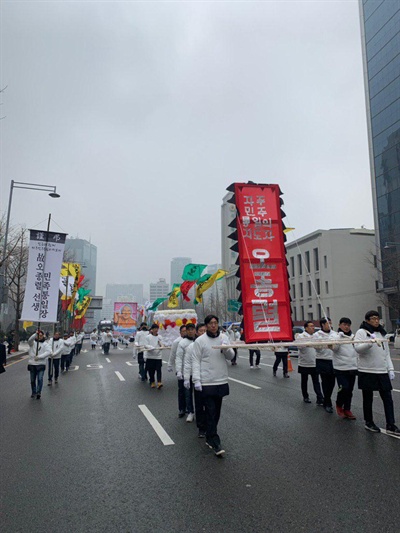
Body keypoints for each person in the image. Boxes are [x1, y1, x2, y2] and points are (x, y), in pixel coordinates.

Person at [192, 314, 235, 457]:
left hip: (221, 380)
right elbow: (195, 361)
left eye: (215, 323)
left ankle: (210, 434)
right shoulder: (200, 341)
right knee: (210, 411)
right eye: (210, 323)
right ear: (206, 325)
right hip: (207, 381)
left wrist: (226, 348)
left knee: (216, 412)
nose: (213, 325)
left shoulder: (223, 338)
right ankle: (214, 441)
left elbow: (231, 356)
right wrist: (196, 380)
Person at [354, 310, 400, 435]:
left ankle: (391, 424)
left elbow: (386, 354)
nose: (376, 321)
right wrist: (369, 343)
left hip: (382, 370)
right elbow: (357, 349)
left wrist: (390, 369)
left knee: (388, 398)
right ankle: (369, 422)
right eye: (373, 318)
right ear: (367, 320)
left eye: (377, 318)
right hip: (367, 370)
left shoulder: (382, 333)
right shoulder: (362, 332)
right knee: (368, 398)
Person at [331, 317, 357, 420]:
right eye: (344, 325)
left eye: (348, 325)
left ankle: (347, 409)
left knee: (350, 390)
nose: (346, 327)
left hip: (352, 367)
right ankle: (339, 404)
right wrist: (338, 338)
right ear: (339, 325)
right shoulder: (336, 336)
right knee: (344, 388)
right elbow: (334, 348)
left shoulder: (353, 337)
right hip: (340, 368)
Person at [184, 323, 207, 437]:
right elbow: (188, 363)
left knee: (209, 404)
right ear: (197, 333)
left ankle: (209, 425)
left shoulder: (211, 344)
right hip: (196, 377)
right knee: (199, 403)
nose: (203, 333)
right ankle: (201, 428)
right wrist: (186, 378)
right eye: (201, 331)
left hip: (209, 378)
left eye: (205, 331)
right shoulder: (191, 347)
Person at [296, 321, 324, 405]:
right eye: (311, 326)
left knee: (316, 381)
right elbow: (299, 346)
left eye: (313, 326)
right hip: (304, 362)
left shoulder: (316, 336)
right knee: (304, 381)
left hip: (314, 362)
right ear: (306, 328)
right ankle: (305, 396)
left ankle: (320, 398)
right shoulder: (301, 336)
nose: (313, 328)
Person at [314, 318, 336, 413]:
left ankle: (327, 399)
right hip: (322, 360)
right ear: (322, 325)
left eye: (330, 323)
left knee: (332, 383)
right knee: (325, 382)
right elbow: (316, 347)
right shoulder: (317, 335)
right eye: (327, 323)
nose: (329, 325)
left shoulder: (334, 334)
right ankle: (328, 402)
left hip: (333, 360)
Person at [176, 323, 196, 422]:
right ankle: (189, 411)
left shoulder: (199, 341)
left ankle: (199, 411)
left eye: (193, 329)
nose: (191, 331)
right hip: (186, 372)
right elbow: (179, 358)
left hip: (197, 372)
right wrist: (179, 371)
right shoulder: (182, 343)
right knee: (186, 393)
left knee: (198, 394)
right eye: (189, 329)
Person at [168, 325, 187, 416]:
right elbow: (173, 354)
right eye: (183, 331)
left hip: (190, 370)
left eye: (186, 330)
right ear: (180, 333)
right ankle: (181, 408)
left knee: (190, 391)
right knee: (182, 390)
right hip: (181, 369)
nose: (185, 332)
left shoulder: (192, 340)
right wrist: (170, 364)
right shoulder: (177, 342)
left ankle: (189, 408)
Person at [27, 330, 52, 399]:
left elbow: (49, 352)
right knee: (32, 380)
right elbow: (29, 340)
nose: (39, 337)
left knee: (40, 379)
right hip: (32, 364)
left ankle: (39, 392)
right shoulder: (32, 343)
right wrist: (35, 333)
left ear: (43, 336)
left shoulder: (45, 344)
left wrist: (40, 357)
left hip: (41, 364)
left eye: (41, 335)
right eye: (38, 335)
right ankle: (33, 392)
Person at [145, 324, 165, 389]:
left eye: (157, 328)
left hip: (158, 356)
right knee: (151, 370)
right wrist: (151, 347)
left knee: (159, 370)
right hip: (150, 356)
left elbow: (162, 344)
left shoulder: (160, 337)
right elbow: (145, 345)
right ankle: (152, 381)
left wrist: (161, 345)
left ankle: (159, 382)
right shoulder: (148, 337)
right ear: (152, 329)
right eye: (155, 328)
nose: (156, 330)